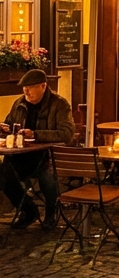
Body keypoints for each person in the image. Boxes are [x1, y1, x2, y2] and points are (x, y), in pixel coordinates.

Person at [0, 70, 75, 229]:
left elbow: (67, 133)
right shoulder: (19, 103)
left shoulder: (59, 104)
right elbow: (10, 124)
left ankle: (51, 213)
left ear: (43, 86)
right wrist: (4, 129)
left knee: (46, 175)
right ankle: (28, 210)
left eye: (31, 87)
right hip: (21, 155)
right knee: (3, 173)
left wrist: (36, 134)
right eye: (24, 87)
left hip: (47, 155)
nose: (26, 91)